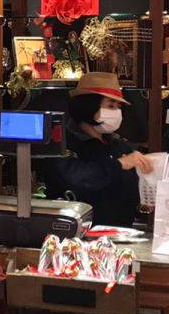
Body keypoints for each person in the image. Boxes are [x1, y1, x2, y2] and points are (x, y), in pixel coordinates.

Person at [45, 72, 153, 228]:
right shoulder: (63, 144)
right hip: (76, 238)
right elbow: (80, 180)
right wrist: (119, 164)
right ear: (88, 106)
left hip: (120, 236)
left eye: (118, 107)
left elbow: (126, 189)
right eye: (110, 105)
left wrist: (142, 202)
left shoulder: (119, 146)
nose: (116, 112)